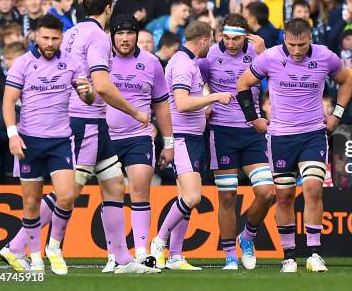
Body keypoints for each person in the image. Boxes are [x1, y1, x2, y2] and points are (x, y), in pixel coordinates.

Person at [236, 19, 352, 273]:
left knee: (313, 186)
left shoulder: (325, 56)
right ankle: (289, 256)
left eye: (302, 44)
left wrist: (337, 114)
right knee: (284, 195)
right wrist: (253, 118)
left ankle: (313, 253)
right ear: (284, 39)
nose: (297, 50)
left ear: (310, 38)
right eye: (291, 44)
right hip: (280, 136)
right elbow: (243, 84)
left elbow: (346, 81)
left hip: (313, 133)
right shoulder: (269, 58)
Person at [63, 0, 159, 274]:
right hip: (88, 121)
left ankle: (122, 259)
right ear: (109, 8)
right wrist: (135, 111)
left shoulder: (71, 34)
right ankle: (19, 246)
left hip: (85, 121)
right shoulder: (99, 38)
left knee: (116, 187)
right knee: (69, 192)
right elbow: (103, 86)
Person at [0, 14, 94, 274]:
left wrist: (88, 92)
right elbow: (8, 101)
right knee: (31, 203)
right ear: (36, 37)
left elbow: (88, 98)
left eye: (55, 38)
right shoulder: (23, 63)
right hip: (29, 141)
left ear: (62, 37)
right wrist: (12, 134)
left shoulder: (72, 63)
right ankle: (34, 257)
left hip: (60, 140)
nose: (50, 43)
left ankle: (54, 248)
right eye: (46, 38)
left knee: (66, 195)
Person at [150, 21, 231, 270]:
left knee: (184, 197)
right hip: (183, 137)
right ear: (204, 41)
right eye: (212, 41)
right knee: (193, 197)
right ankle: (159, 241)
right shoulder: (184, 64)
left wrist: (204, 108)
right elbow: (182, 103)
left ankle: (175, 256)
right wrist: (215, 97)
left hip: (192, 136)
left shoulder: (185, 61)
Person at [198, 14, 274, 270]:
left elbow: (277, 83)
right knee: (227, 197)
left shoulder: (258, 52)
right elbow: (197, 83)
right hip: (221, 132)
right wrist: (207, 99)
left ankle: (248, 237)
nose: (231, 44)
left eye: (237, 39)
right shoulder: (209, 55)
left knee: (266, 193)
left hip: (252, 130)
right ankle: (230, 254)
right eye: (227, 38)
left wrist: (265, 54)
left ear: (247, 36)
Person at [104, 15, 174, 269]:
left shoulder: (151, 62)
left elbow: (162, 104)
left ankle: (143, 252)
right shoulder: (101, 61)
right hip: (106, 138)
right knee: (110, 196)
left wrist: (169, 142)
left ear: (137, 36)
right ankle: (114, 255)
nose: (125, 38)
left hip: (139, 136)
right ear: (112, 36)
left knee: (141, 188)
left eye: (130, 34)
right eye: (120, 34)